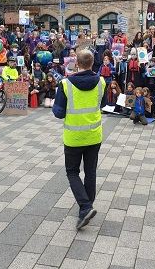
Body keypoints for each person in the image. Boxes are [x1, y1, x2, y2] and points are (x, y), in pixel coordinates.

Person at [52, 50, 107, 229]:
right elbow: (104, 104)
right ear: (92, 64)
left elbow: (58, 113)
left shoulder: (65, 84)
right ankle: (87, 207)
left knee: (72, 172)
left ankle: (85, 207)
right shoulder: (102, 82)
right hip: (93, 135)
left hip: (74, 137)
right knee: (90, 172)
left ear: (77, 63)